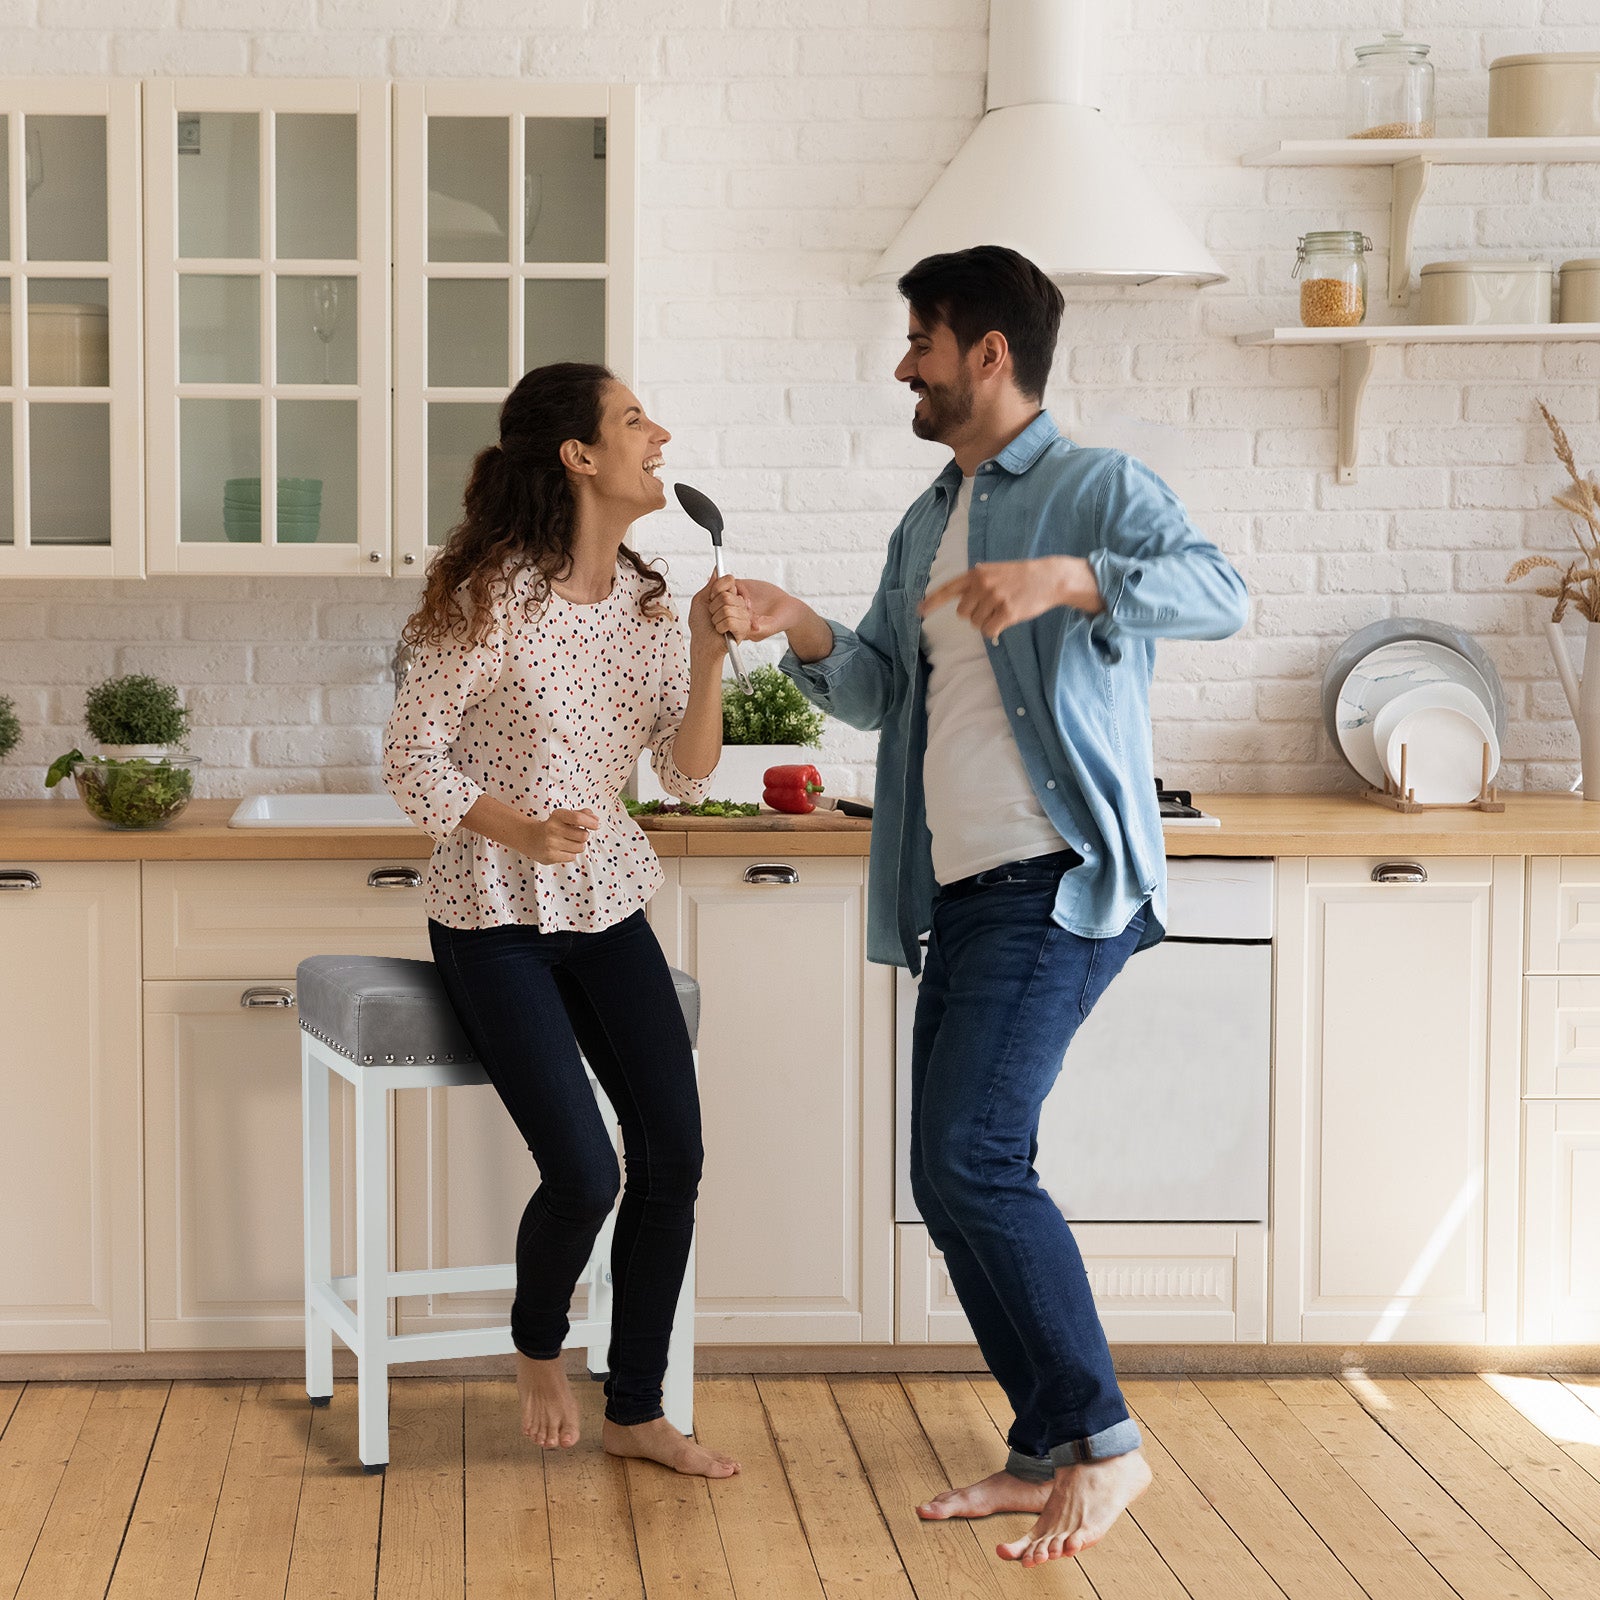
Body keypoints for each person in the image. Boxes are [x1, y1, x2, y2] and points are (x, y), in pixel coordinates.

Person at [718, 246, 1248, 1563]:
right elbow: (880, 689)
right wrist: (799, 625)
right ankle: (1041, 1450)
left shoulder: (1095, 486)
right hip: (957, 888)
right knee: (947, 1175)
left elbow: (1221, 596)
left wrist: (1067, 578)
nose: (905, 364)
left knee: (973, 1156)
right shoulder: (929, 517)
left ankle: (1106, 1443)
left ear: (989, 353)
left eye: (923, 339)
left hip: (1052, 874)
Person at [384, 361, 741, 1479]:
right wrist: (520, 828)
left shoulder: (645, 599)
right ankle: (537, 1345)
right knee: (586, 1173)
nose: (659, 431)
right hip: (490, 911)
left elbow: (686, 775)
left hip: (606, 901)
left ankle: (637, 1408)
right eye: (634, 418)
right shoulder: (489, 596)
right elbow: (409, 760)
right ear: (579, 456)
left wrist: (706, 650)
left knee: (674, 1154)